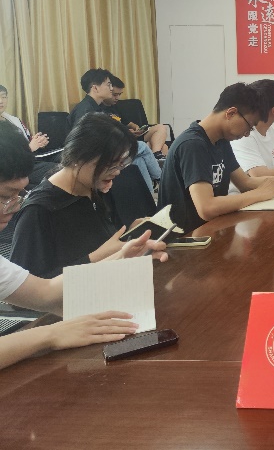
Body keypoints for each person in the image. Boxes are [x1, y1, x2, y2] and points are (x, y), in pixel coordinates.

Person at [0, 124, 167, 370]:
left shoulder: (94, 192)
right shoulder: (39, 209)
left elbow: (44, 291)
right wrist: (51, 334)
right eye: (5, 197)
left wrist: (121, 256)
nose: (12, 208)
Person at [10, 114, 168, 279]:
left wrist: (131, 233)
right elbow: (27, 287)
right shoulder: (38, 211)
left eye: (121, 164)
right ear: (78, 156)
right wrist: (101, 256)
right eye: (110, 164)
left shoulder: (94, 188)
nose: (117, 172)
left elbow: (102, 241)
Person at [157, 83, 274, 233]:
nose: (247, 134)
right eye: (249, 126)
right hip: (185, 238)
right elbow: (207, 208)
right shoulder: (193, 145)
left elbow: (245, 183)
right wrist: (258, 194)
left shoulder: (220, 140)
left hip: (212, 229)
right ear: (231, 113)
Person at [105, 73, 170, 156]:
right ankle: (156, 155)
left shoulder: (116, 106)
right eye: (114, 95)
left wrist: (136, 128)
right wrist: (126, 132)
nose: (117, 98)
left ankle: (156, 154)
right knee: (162, 147)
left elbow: (129, 123)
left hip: (132, 136)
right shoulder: (101, 110)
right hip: (121, 140)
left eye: (119, 94)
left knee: (161, 128)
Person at [0, 84, 50, 153]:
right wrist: (29, 148)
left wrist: (38, 142)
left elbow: (27, 141)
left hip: (30, 157)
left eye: (3, 97)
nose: (1, 101)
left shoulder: (15, 121)